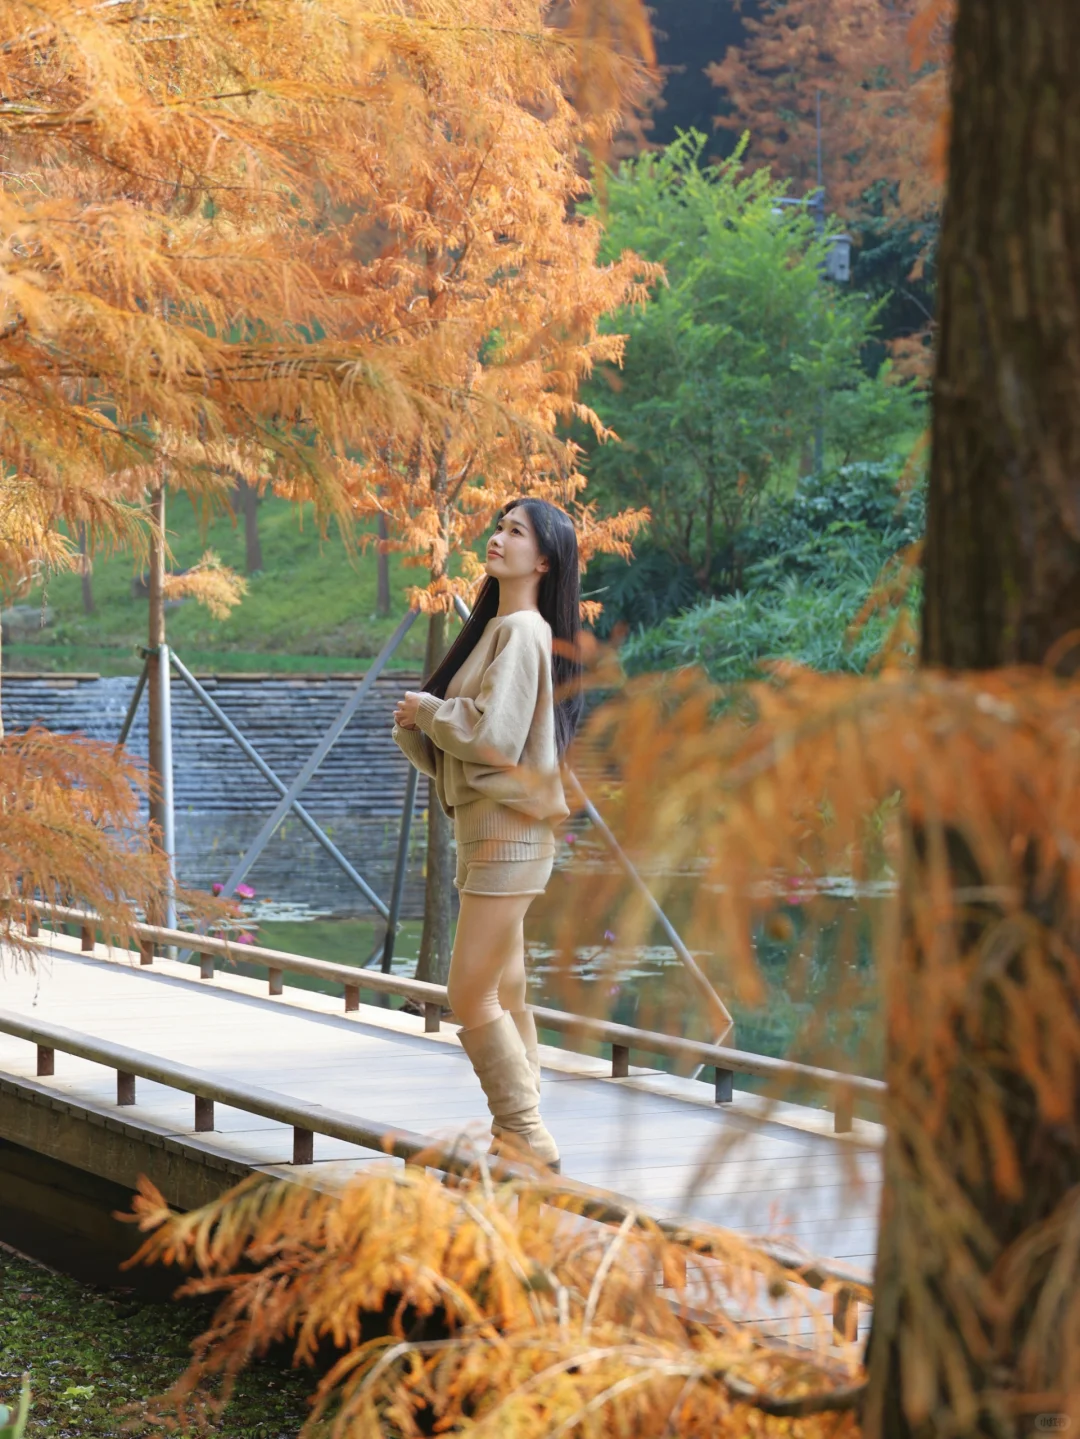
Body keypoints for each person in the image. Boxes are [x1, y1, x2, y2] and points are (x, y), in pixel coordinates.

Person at [392, 498, 583, 1169]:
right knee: (507, 991)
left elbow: (494, 740)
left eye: (515, 531)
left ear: (545, 559)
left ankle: (527, 1136)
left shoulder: (524, 630)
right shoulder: (501, 628)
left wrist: (431, 710)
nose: (497, 538)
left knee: (470, 993)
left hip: (508, 836)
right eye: (498, 527)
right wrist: (421, 723)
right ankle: (515, 1143)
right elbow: (468, 750)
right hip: (489, 833)